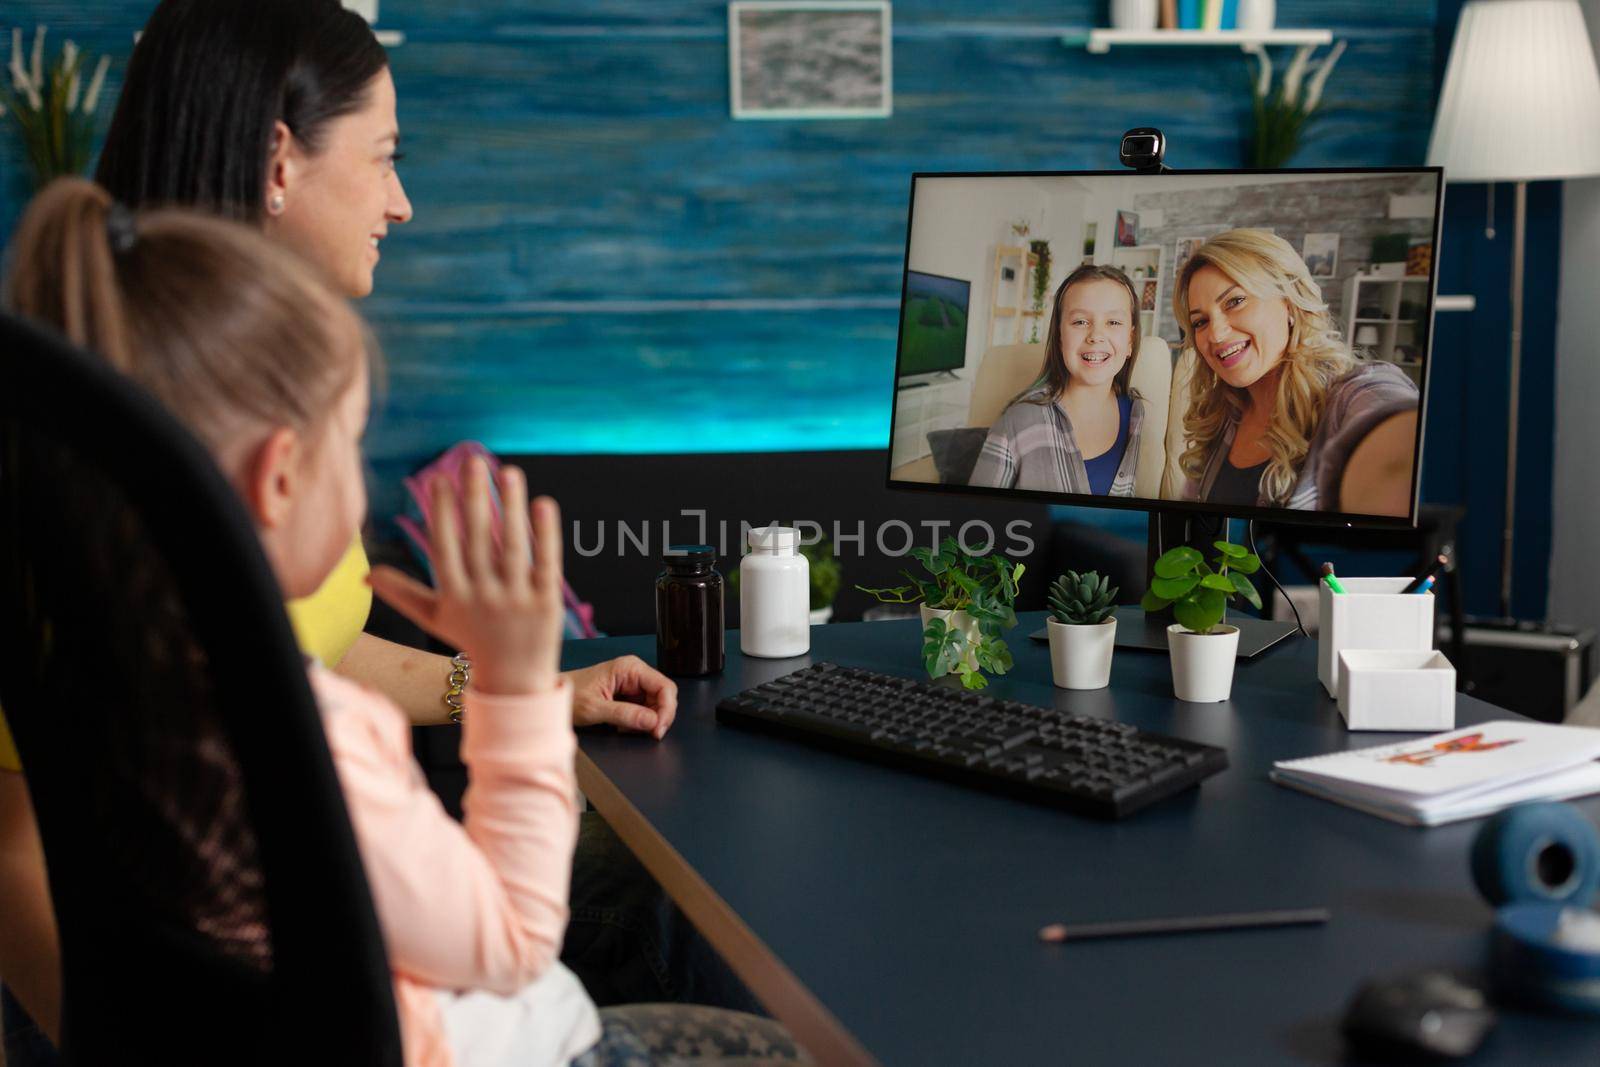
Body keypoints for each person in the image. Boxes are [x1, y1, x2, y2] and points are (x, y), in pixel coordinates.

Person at [0, 0, 747, 1056]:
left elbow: (321, 635)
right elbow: (16, 852)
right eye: (385, 155)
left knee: (664, 890)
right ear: (277, 161)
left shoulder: (243, 396)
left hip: (320, 952)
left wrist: (509, 690)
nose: (401, 202)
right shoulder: (94, 466)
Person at [1172, 228, 1419, 514]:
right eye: (1200, 322)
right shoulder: (1220, 416)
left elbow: (1390, 413)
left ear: (1289, 302)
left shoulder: (1348, 397)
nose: (1215, 334)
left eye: (1235, 302)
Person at [969, 264, 1144, 495]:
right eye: (1080, 322)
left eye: (1113, 322)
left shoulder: (1136, 413)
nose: (1096, 336)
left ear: (1130, 340)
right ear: (1060, 336)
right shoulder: (1018, 420)